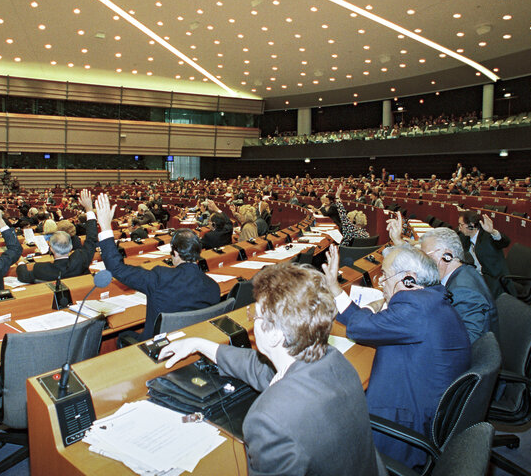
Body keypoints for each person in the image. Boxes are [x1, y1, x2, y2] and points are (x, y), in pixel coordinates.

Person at [161, 263, 386, 476]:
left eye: (255, 316)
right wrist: (199, 344)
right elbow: (258, 368)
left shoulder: (267, 420)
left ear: (275, 334)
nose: (252, 321)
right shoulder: (332, 359)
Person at [323, 244, 470, 468]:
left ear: (409, 280)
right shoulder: (432, 299)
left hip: (407, 425)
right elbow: (371, 326)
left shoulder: (415, 306)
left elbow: (362, 327)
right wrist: (335, 289)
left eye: (385, 276)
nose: (381, 283)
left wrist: (336, 290)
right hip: (432, 406)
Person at [94, 193, 221, 342]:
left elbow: (117, 269)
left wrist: (105, 227)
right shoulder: (213, 287)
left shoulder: (160, 277)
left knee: (123, 336)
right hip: (193, 344)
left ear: (175, 253)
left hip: (158, 350)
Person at [411, 223, 499, 343]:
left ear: (447, 255)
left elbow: (470, 341)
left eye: (426, 257)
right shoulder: (462, 271)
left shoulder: (464, 290)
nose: (423, 263)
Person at [16, 190, 98, 283]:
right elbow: (91, 238)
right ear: (71, 246)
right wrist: (89, 210)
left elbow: (23, 276)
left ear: (51, 248)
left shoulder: (40, 268)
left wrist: (21, 262)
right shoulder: (81, 259)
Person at [457, 211, 510, 297]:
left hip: (492, 280)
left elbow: (505, 242)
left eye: (461, 225)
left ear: (471, 225)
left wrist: (493, 232)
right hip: (474, 275)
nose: (459, 228)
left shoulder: (487, 236)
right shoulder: (464, 237)